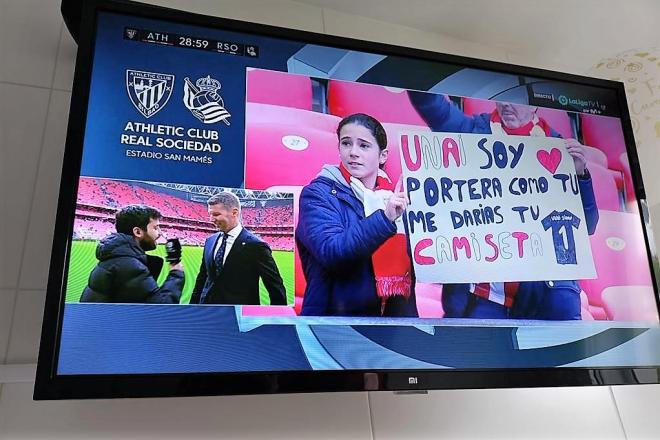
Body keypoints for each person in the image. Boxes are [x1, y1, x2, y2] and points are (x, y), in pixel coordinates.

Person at [408, 91, 599, 320]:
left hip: (541, 295)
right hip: (482, 295)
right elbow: (432, 106)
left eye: (516, 99)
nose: (506, 104)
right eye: (501, 96)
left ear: (535, 106)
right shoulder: (473, 131)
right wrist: (419, 79)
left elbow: (587, 225)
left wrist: (580, 176)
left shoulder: (559, 148)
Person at [296, 113, 418, 317]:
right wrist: (384, 219)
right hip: (336, 327)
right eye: (346, 143)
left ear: (383, 156)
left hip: (396, 327)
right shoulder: (317, 194)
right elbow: (333, 252)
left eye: (363, 145)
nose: (353, 152)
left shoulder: (396, 197)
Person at [190, 192, 286, 305]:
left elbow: (275, 287)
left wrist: (275, 317)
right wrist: (192, 308)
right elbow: (202, 278)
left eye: (216, 214)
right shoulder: (210, 241)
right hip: (207, 313)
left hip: (238, 316)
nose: (211, 219)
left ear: (234, 212)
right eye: (210, 214)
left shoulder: (256, 246)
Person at [80, 205, 184, 303]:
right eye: (155, 228)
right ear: (138, 232)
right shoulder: (129, 266)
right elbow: (161, 309)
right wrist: (176, 273)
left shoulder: (119, 258)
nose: (160, 232)